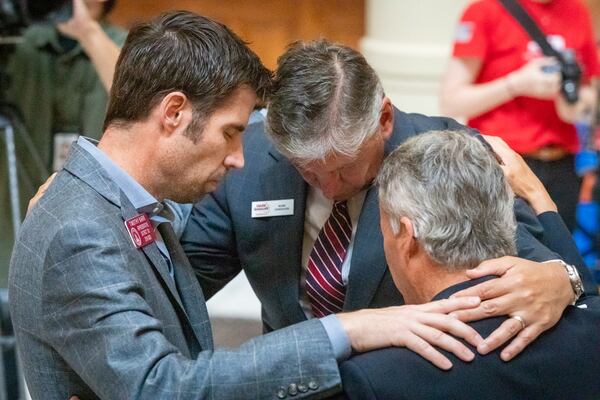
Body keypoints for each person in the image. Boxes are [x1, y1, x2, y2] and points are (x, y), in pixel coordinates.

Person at [9, 12, 486, 400]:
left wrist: (560, 278)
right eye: (231, 132)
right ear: (173, 113)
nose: (239, 157)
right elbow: (162, 386)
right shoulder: (82, 227)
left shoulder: (100, 208)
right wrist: (347, 330)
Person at [181, 39, 595, 363]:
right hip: (297, 379)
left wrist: (563, 278)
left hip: (414, 379)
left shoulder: (447, 154)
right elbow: (182, 287)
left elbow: (537, 261)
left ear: (383, 120)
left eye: (343, 168)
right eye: (306, 170)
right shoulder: (248, 160)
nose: (326, 187)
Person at [339, 131, 600, 399]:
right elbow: (589, 298)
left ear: (407, 236)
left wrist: (344, 328)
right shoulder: (589, 327)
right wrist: (538, 196)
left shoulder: (376, 378)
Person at [440, 0, 600, 231]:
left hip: (562, 162)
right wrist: (516, 84)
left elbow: (588, 91)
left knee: (559, 256)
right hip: (500, 163)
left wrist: (574, 104)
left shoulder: (575, 10)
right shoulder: (485, 10)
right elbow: (451, 102)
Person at [0, 0, 125, 285]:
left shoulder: (122, 46)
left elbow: (139, 99)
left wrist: (88, 33)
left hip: (92, 220)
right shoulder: (18, 45)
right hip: (14, 213)